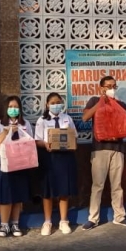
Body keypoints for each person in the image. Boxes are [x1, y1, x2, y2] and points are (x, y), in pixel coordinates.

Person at [81, 75, 126, 230]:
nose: (111, 88)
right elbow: (85, 117)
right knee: (97, 185)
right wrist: (100, 102)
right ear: (101, 87)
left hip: (118, 149)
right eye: (108, 86)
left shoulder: (122, 105)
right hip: (99, 150)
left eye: (114, 86)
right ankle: (93, 218)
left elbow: (125, 126)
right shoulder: (94, 101)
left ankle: (119, 216)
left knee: (117, 185)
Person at [34, 92, 78, 236]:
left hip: (65, 158)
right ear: (47, 104)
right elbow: (37, 140)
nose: (56, 105)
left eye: (58, 102)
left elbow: (74, 136)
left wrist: (72, 144)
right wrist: (45, 144)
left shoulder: (67, 118)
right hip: (49, 158)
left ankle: (63, 221)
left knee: (64, 189)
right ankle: (47, 221)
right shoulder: (42, 120)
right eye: (52, 103)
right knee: (48, 191)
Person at [0, 96, 34, 238]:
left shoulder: (25, 123)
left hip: (21, 162)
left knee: (18, 193)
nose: (13, 109)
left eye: (16, 107)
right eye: (10, 107)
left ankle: (15, 223)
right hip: (4, 162)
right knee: (5, 194)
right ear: (5, 109)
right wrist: (5, 131)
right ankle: (4, 225)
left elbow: (30, 142)